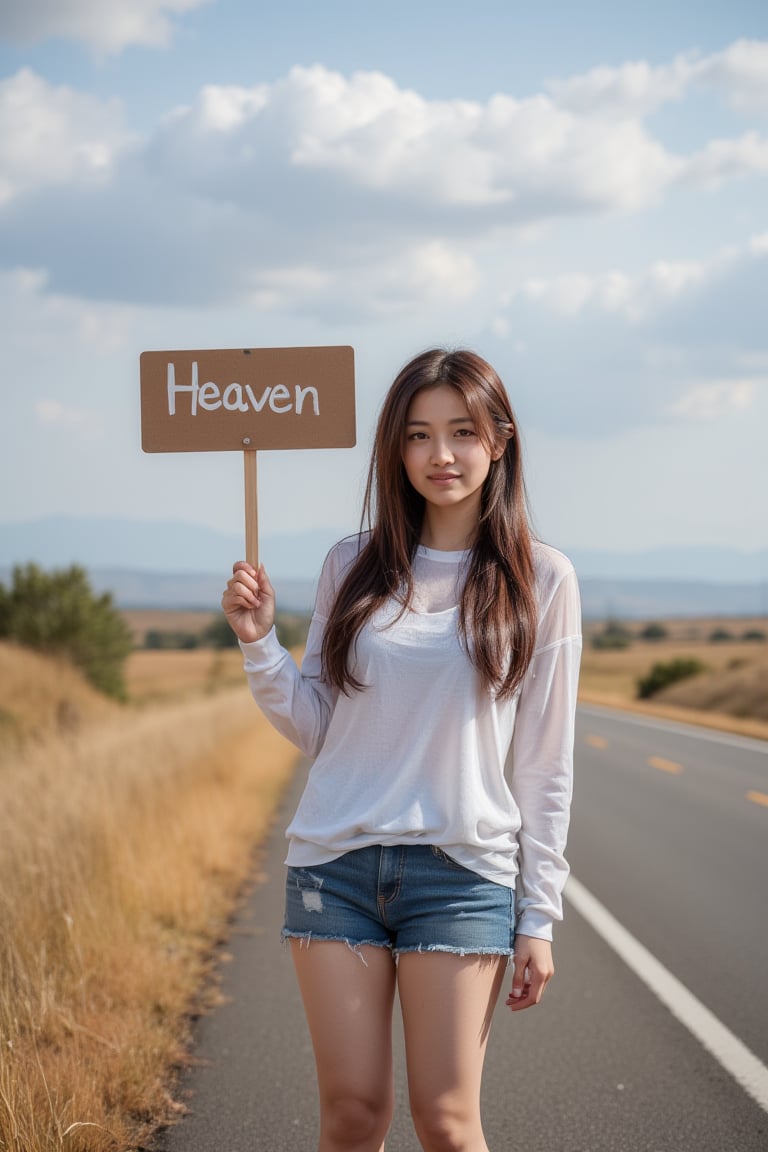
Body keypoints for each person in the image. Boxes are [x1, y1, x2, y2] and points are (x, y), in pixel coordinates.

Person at [222, 347, 582, 1152]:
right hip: (334, 869)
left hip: (462, 874)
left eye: (462, 431)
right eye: (418, 435)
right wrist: (259, 645)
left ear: (500, 440)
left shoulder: (542, 579)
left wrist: (539, 916)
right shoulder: (350, 565)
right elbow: (318, 725)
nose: (441, 455)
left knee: (448, 1123)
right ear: (396, 449)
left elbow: (545, 764)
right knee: (353, 1116)